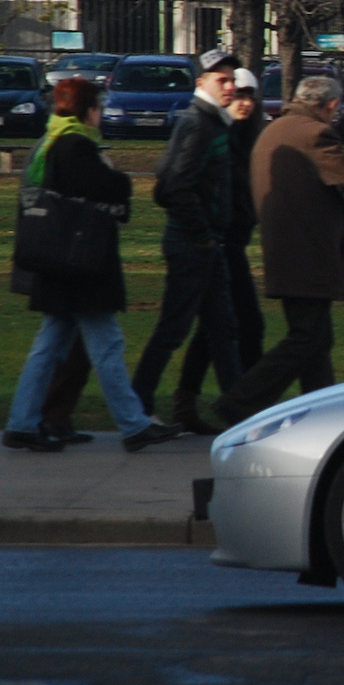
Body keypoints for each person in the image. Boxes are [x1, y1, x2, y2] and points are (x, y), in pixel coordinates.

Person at [2, 78, 183, 453]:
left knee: (50, 346)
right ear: (88, 111)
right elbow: (110, 187)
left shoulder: (50, 143)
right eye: (98, 108)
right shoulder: (76, 146)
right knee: (107, 346)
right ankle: (133, 425)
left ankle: (22, 422)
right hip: (81, 266)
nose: (101, 115)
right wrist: (120, 178)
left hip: (59, 265)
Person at [211, 75, 344, 426]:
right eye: (338, 106)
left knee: (316, 338)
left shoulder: (276, 129)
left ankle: (322, 413)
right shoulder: (315, 134)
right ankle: (239, 402)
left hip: (285, 250)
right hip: (307, 254)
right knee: (306, 337)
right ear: (331, 105)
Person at [130, 49, 245, 420]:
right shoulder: (198, 124)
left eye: (232, 80)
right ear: (201, 83)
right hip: (193, 245)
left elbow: (167, 177)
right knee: (174, 329)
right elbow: (173, 186)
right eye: (221, 80)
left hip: (206, 245)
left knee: (223, 331)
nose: (229, 87)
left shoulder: (210, 123)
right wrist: (203, 232)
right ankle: (137, 407)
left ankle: (239, 412)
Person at [172, 66, 266, 434]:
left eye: (248, 97)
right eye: (237, 95)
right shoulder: (217, 133)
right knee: (241, 326)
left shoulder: (244, 137)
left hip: (232, 241)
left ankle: (192, 402)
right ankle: (246, 404)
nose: (243, 103)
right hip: (219, 242)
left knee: (214, 329)